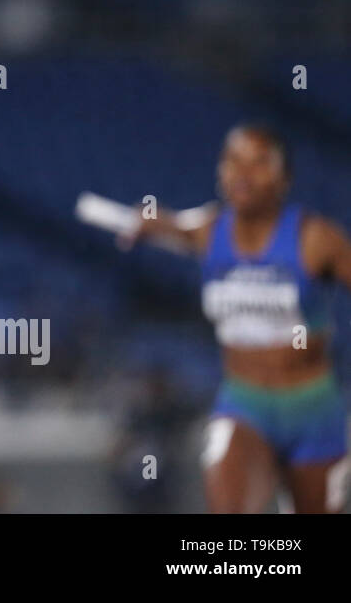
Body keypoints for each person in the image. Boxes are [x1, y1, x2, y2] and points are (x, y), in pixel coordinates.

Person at [117, 123, 351, 513]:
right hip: (244, 402)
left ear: (284, 179)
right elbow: (175, 226)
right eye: (233, 160)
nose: (243, 172)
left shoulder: (315, 239)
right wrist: (147, 224)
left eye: (259, 162)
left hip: (313, 408)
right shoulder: (211, 231)